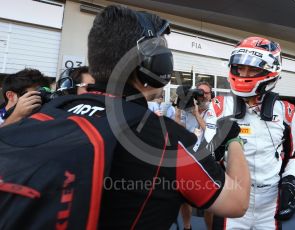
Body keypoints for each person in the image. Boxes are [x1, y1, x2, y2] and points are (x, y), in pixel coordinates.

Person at [55, 6, 250, 228]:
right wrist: (234, 139)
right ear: (156, 64)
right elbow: (237, 203)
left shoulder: (51, 111)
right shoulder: (168, 140)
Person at [211, 36, 295, 229]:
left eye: (253, 68)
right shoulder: (219, 107)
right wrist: (216, 148)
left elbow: (294, 155)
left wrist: (291, 183)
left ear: (270, 71)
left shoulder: (286, 112)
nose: (244, 74)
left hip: (270, 202)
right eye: (239, 68)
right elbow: (202, 157)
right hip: (232, 195)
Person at [175, 81, 217, 230]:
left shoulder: (213, 110)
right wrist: (178, 111)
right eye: (200, 92)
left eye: (206, 93)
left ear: (211, 95)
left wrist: (197, 114)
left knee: (209, 202)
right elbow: (180, 128)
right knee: (183, 198)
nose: (202, 95)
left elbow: (211, 134)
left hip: (206, 158)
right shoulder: (190, 107)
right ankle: (187, 227)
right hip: (189, 156)